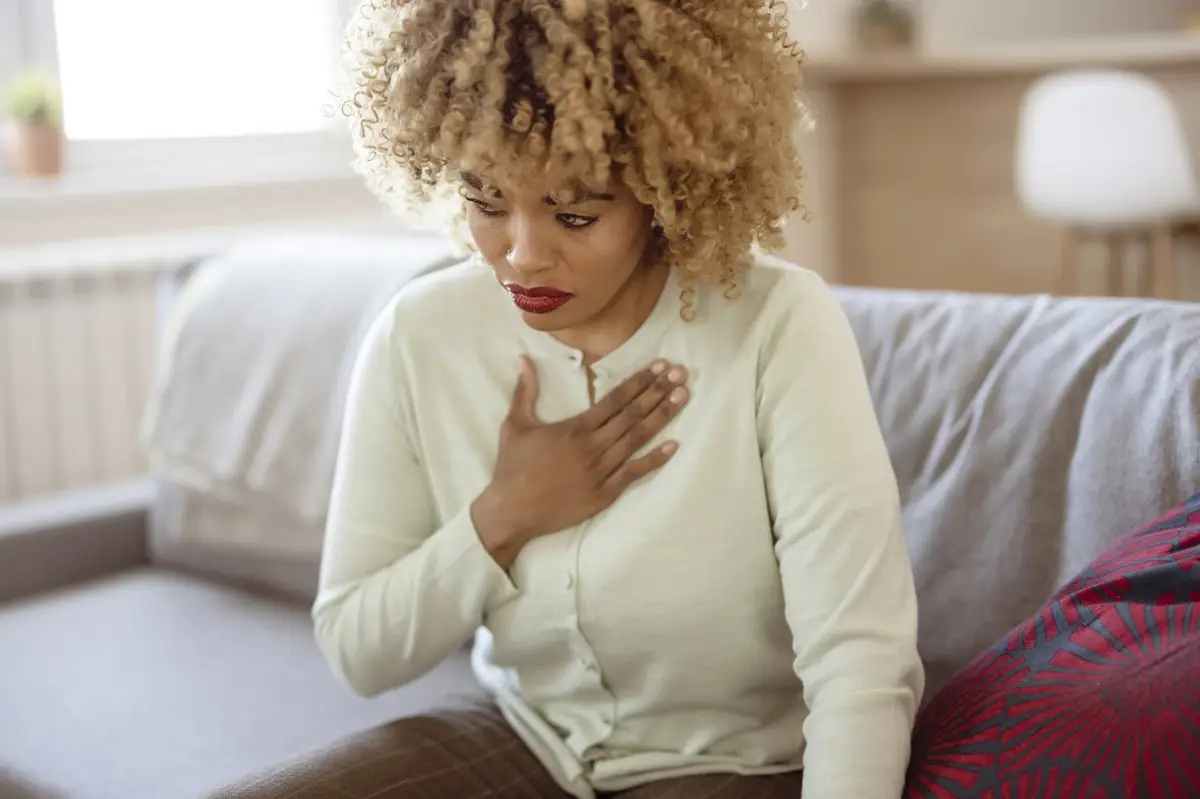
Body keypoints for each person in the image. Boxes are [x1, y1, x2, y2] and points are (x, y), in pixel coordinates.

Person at [238, 1, 925, 797]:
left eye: (575, 213)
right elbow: (359, 648)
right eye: (486, 202)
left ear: (666, 189)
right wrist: (504, 515)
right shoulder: (419, 336)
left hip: (730, 760)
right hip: (526, 734)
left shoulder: (778, 322)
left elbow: (860, 660)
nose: (522, 256)